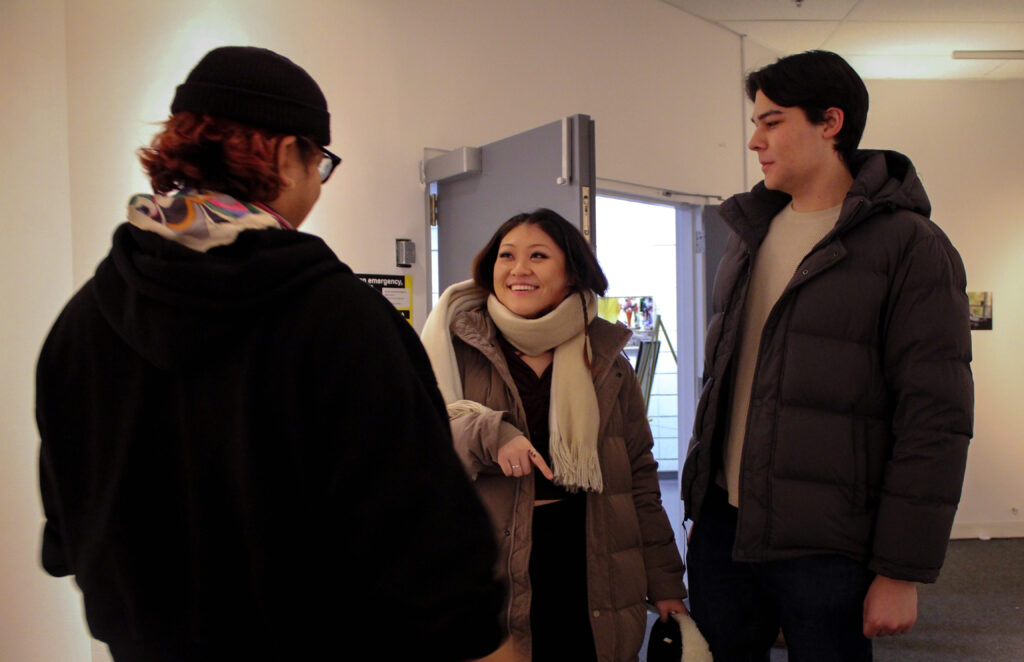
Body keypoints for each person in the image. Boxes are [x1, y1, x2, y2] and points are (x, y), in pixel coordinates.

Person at [36, 46, 503, 661]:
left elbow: (66, 540)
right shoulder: (342, 320)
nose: (318, 184)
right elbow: (431, 556)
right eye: (321, 163)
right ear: (288, 156)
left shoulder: (81, 321)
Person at [680, 50, 974, 661]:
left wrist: (901, 571)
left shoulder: (910, 246)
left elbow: (934, 421)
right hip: (725, 529)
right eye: (756, 122)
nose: (755, 140)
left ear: (830, 122)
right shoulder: (748, 233)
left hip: (829, 546)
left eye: (772, 121)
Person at [420, 209, 686, 662]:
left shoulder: (606, 359)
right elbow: (419, 444)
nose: (518, 269)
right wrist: (489, 431)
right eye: (507, 256)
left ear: (571, 273)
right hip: (493, 558)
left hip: (590, 558)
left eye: (538, 256)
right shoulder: (455, 346)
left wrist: (664, 583)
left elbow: (638, 477)